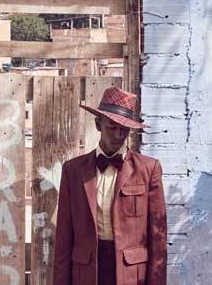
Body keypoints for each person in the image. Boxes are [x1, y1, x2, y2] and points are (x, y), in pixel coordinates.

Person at [53, 87, 167, 285]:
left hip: (131, 273)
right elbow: (63, 238)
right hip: (87, 272)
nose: (118, 134)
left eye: (124, 129)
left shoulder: (149, 169)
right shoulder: (73, 170)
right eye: (112, 127)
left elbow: (158, 238)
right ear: (98, 124)